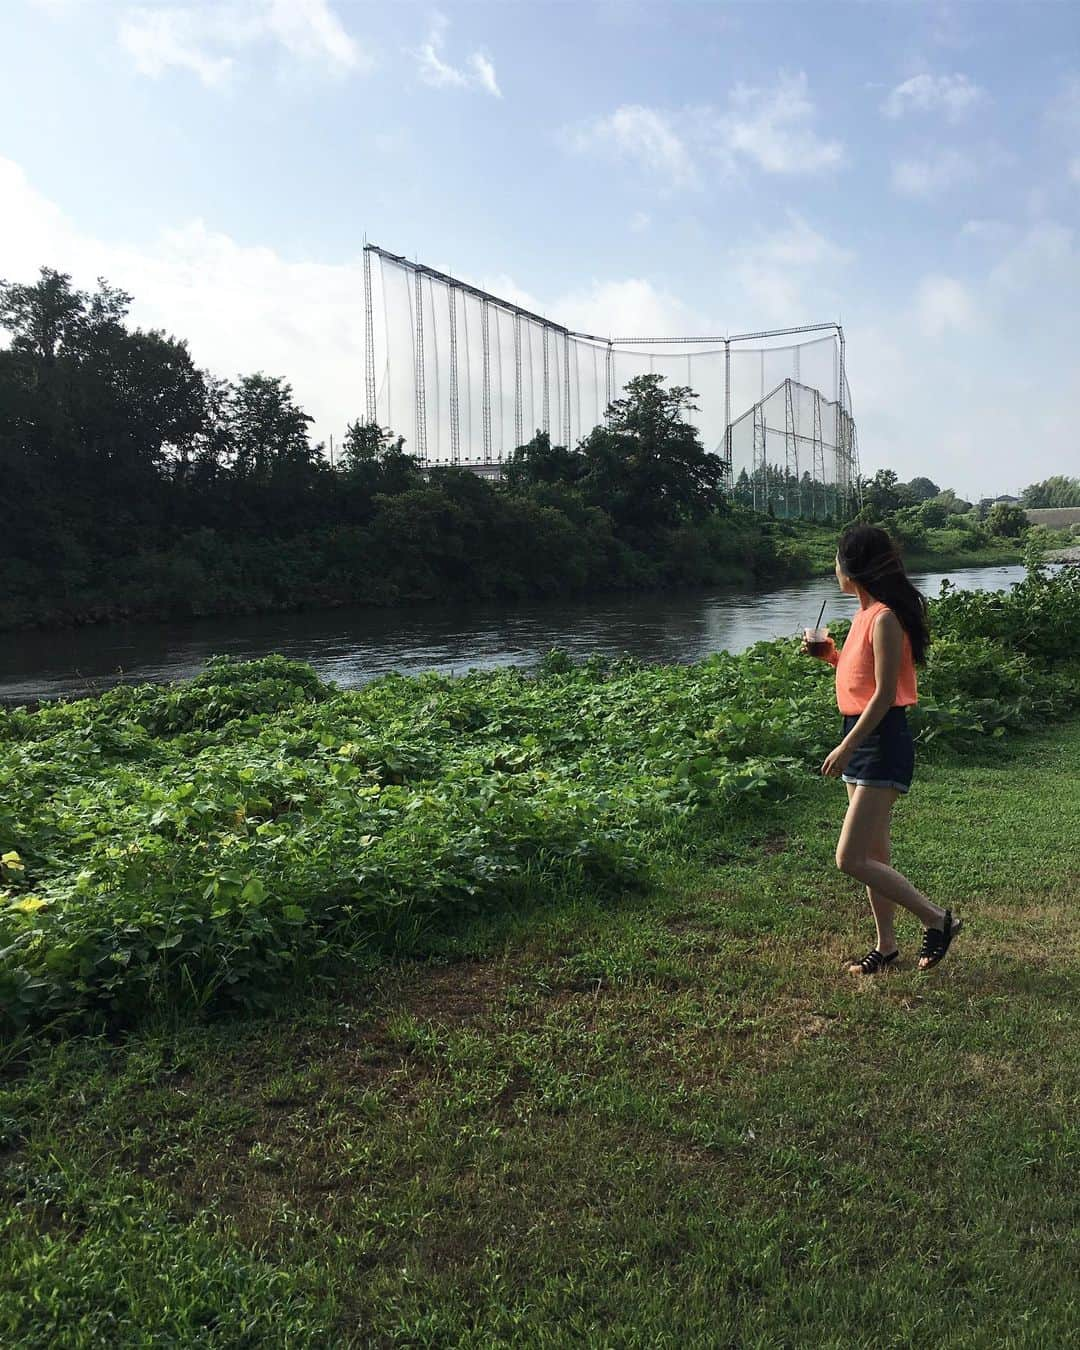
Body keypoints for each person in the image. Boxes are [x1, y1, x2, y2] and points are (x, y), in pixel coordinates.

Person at [801, 524, 963, 974]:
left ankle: (937, 919)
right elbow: (862, 679)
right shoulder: (863, 616)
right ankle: (887, 947)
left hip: (881, 741)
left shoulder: (887, 618)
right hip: (862, 733)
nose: (834, 569)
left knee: (850, 858)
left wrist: (846, 747)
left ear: (850, 568)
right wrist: (830, 656)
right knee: (874, 856)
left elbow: (885, 693)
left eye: (837, 560)